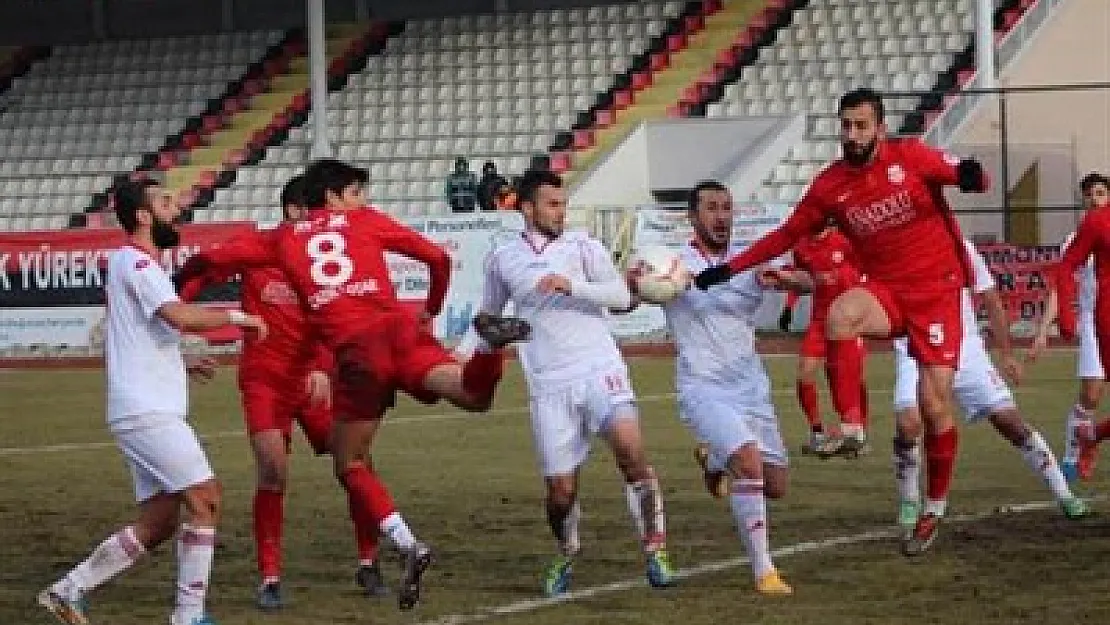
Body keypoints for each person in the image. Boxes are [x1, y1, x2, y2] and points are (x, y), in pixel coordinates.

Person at [175, 158, 530, 611]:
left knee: (351, 461)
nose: (363, 200)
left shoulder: (281, 240)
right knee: (473, 394)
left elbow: (209, 260)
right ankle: (486, 346)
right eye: (356, 191)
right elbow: (438, 258)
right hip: (396, 331)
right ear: (334, 196)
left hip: (354, 356)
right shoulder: (363, 221)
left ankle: (402, 547)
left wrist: (172, 289)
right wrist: (430, 308)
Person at [694, 88, 990, 556]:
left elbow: (962, 174)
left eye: (861, 126)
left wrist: (974, 177)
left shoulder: (910, 156)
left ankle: (934, 505)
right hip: (888, 291)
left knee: (932, 407)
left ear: (880, 128)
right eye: (846, 125)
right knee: (840, 314)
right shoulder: (830, 185)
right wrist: (729, 269)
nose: (851, 135)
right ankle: (852, 425)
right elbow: (786, 235)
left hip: (937, 292)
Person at [38, 179, 267, 625]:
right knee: (206, 499)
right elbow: (177, 315)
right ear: (142, 216)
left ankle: (67, 592)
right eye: (164, 202)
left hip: (144, 409)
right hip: (147, 412)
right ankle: (189, 616)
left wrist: (183, 359)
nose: (176, 207)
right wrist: (240, 317)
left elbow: (146, 334)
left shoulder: (141, 267)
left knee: (160, 524)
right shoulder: (135, 262)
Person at [461, 169, 675, 597]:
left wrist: (572, 284)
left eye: (563, 204)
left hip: (600, 368)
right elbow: (485, 319)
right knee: (560, 494)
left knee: (630, 450)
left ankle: (656, 548)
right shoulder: (503, 259)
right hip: (548, 386)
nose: (562, 212)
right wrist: (470, 349)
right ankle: (567, 548)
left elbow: (622, 298)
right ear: (526, 208)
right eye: (552, 204)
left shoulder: (585, 247)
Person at [175, 175, 386, 610]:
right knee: (272, 470)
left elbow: (341, 318)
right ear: (294, 211)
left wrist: (325, 369)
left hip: (314, 382)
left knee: (355, 461)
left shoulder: (327, 255)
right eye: (316, 213)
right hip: (264, 381)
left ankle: (369, 562)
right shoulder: (258, 249)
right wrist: (173, 315)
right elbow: (195, 277)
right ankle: (269, 578)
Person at [632, 180, 793, 594]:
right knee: (751, 463)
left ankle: (713, 461)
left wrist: (787, 280)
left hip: (751, 385)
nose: (722, 216)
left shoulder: (748, 260)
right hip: (703, 388)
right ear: (693, 216)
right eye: (712, 208)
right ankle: (764, 571)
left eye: (727, 208)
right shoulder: (674, 264)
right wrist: (636, 283)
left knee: (776, 486)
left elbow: (808, 281)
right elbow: (629, 297)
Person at [892, 237, 1088, 546]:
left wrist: (1006, 354)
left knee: (1010, 422)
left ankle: (1063, 492)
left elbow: (991, 298)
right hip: (914, 346)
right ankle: (909, 500)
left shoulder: (961, 247)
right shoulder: (889, 248)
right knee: (908, 422)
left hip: (965, 346)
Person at [1029, 173, 1109, 481]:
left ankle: (1092, 437)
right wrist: (1044, 331)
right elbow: (1061, 284)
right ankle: (1074, 454)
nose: (1094, 199)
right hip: (1092, 319)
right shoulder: (1075, 241)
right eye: (1089, 195)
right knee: (1091, 393)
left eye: (1100, 193)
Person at [771, 221, 869, 457]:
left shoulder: (844, 241)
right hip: (820, 321)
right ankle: (816, 432)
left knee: (851, 378)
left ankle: (857, 433)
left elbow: (864, 271)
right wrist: (788, 308)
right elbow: (800, 280)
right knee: (805, 373)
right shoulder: (802, 247)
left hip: (848, 321)